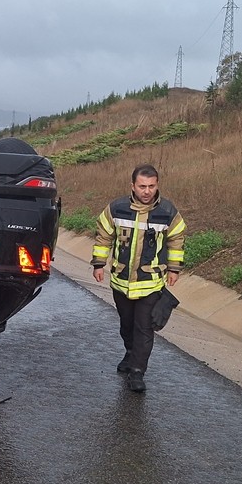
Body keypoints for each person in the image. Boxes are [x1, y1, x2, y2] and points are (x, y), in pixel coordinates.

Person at [91, 164, 186, 392]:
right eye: (142, 186)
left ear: (157, 185)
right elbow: (104, 236)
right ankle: (130, 354)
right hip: (121, 281)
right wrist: (98, 263)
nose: (147, 191)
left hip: (150, 283)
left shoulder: (167, 211)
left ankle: (137, 372)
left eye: (151, 186)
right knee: (127, 326)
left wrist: (174, 269)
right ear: (132, 185)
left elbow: (177, 239)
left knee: (144, 328)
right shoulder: (116, 208)